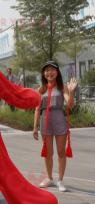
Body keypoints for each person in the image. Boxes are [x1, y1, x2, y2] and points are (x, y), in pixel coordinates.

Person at [33, 61, 78, 192]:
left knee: (60, 152)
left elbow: (70, 105)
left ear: (57, 72)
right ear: (43, 73)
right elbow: (37, 109)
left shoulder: (62, 86)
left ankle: (60, 180)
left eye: (52, 70)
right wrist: (35, 126)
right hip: (45, 121)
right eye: (46, 70)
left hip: (59, 120)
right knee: (48, 153)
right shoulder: (40, 89)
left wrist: (70, 92)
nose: (49, 72)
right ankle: (50, 178)